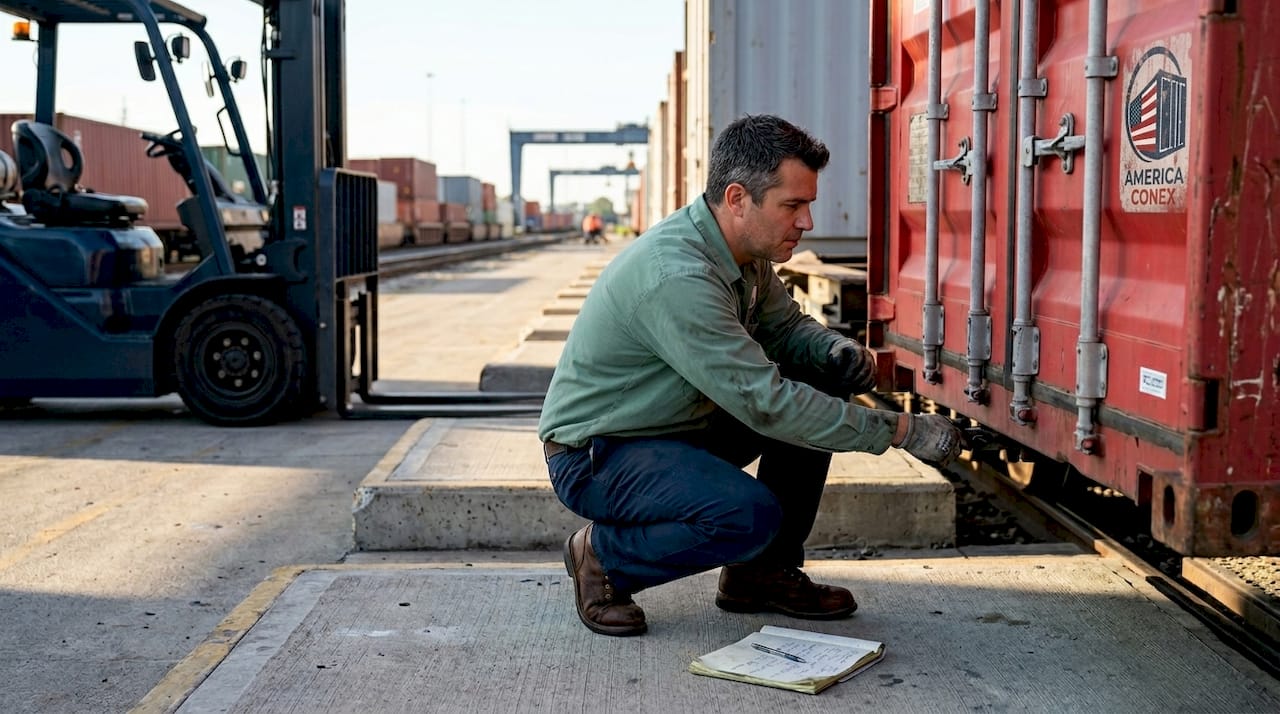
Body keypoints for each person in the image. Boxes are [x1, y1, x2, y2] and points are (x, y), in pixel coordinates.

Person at [538, 114, 962, 637]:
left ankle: (758, 574)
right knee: (748, 515)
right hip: (601, 455)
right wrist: (900, 432)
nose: (806, 221)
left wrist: (832, 349)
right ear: (738, 199)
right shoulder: (680, 276)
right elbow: (767, 404)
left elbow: (785, 330)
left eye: (808, 204)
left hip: (676, 428)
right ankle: (603, 558)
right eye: (793, 205)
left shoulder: (743, 255)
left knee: (818, 376)